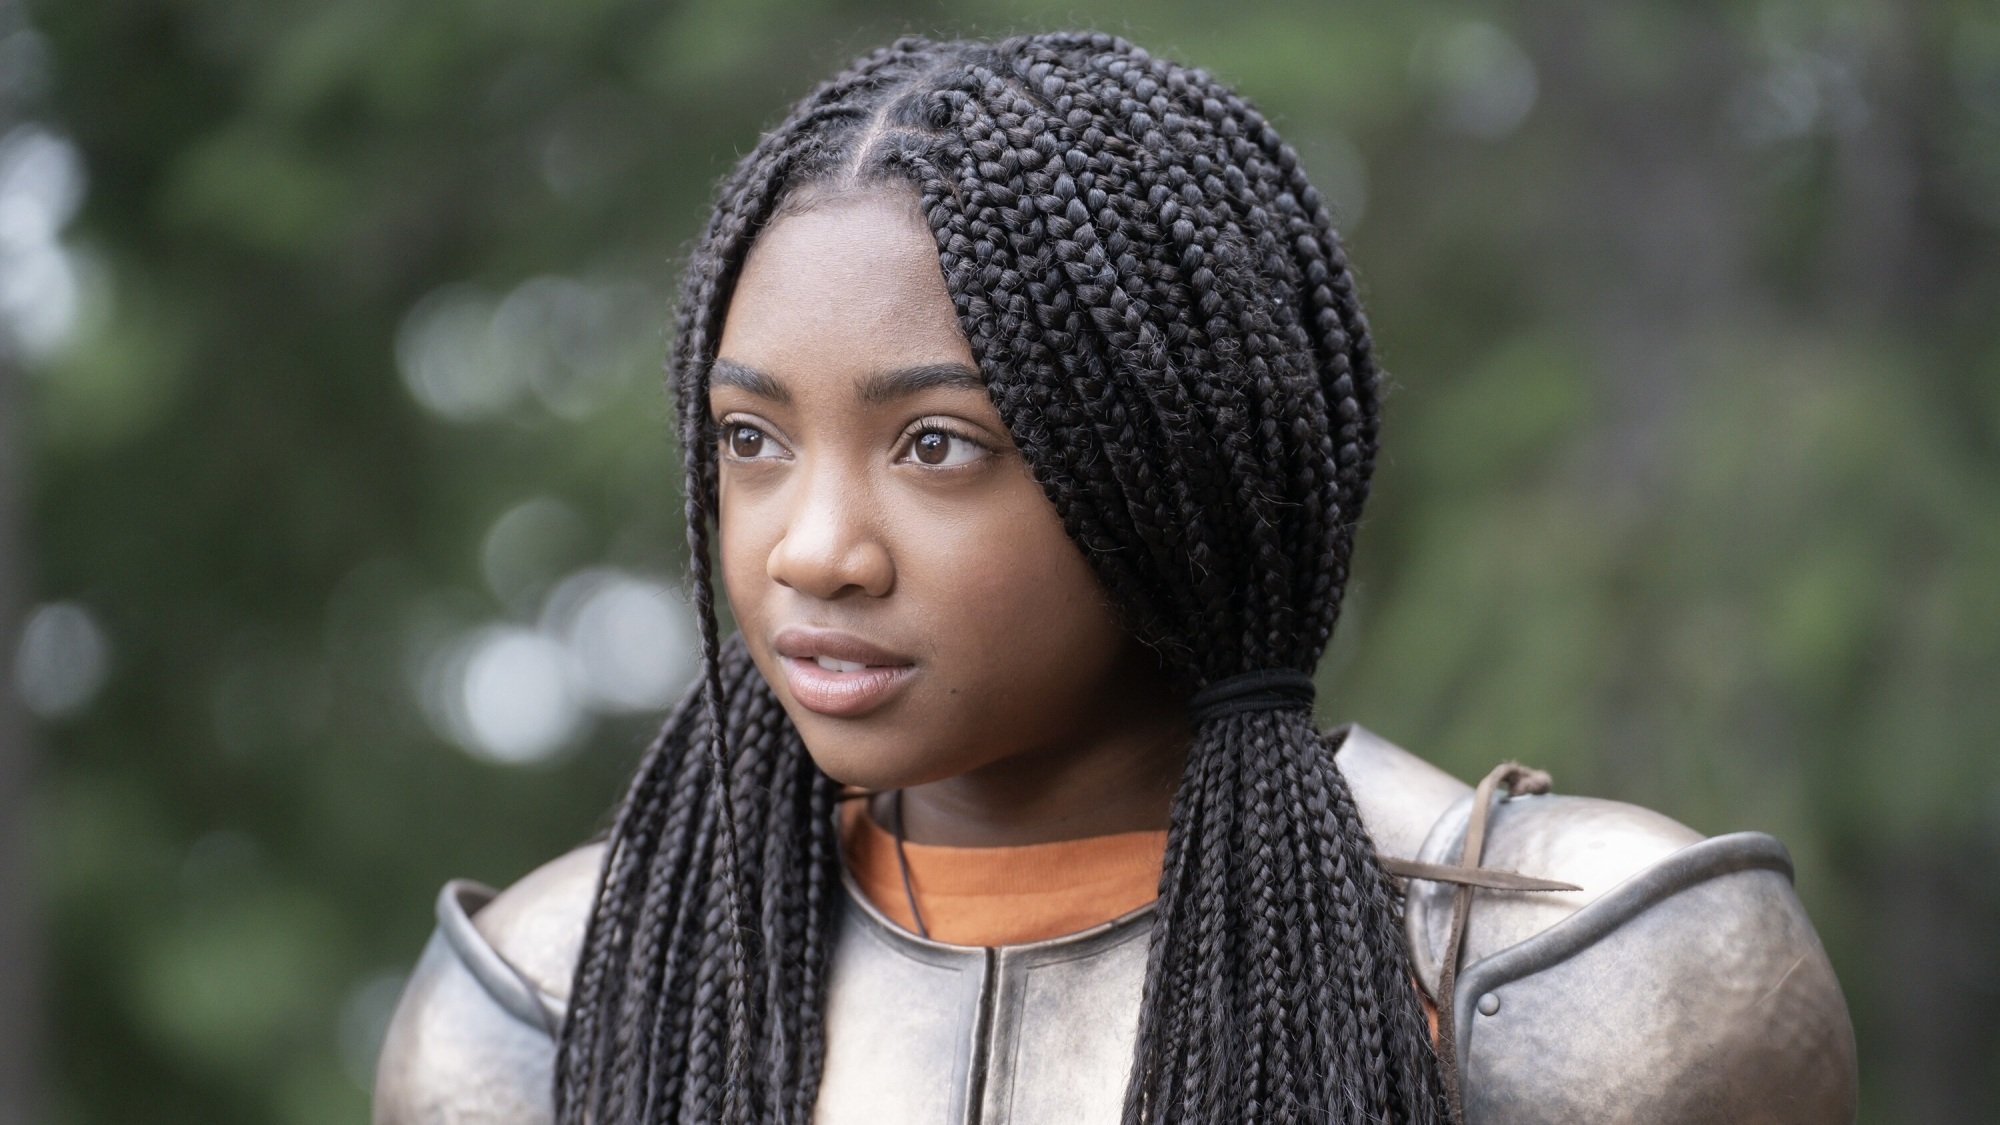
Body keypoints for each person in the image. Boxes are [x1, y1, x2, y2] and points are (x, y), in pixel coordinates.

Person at [372, 32, 1857, 1125]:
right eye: (753, 437)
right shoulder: (554, 1004)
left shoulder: (1591, 984)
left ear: (1170, 467)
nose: (813, 546)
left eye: (939, 445)